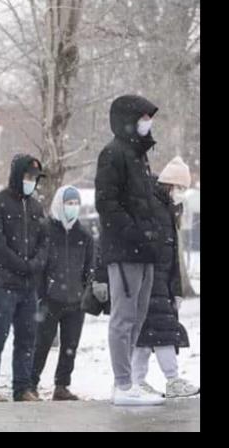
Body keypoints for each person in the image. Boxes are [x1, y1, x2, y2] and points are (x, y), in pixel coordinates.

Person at [93, 94, 166, 406]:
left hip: (145, 250)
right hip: (125, 250)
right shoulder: (113, 154)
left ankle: (128, 382)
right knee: (123, 319)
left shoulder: (138, 155)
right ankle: (123, 384)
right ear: (127, 119)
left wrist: (155, 235)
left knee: (138, 316)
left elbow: (144, 201)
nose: (147, 123)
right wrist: (135, 233)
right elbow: (106, 203)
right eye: (142, 117)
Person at [0, 154, 48, 402]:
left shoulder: (37, 207)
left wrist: (35, 264)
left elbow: (44, 242)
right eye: (28, 176)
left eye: (35, 178)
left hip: (28, 286)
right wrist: (21, 265)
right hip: (1, 282)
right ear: (18, 175)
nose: (31, 182)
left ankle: (23, 386)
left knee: (27, 337)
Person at [133, 156, 199, 399]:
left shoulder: (167, 209)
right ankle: (171, 379)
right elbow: (158, 250)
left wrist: (177, 289)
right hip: (152, 281)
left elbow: (172, 254)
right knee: (162, 332)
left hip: (158, 282)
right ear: (170, 185)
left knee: (146, 334)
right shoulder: (155, 208)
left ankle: (136, 380)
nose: (182, 193)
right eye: (181, 187)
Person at [31, 185, 94, 401]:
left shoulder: (84, 235)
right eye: (69, 203)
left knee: (70, 345)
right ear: (60, 203)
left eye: (76, 203)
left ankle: (62, 385)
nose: (73, 207)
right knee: (42, 343)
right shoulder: (45, 230)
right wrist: (42, 291)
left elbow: (90, 266)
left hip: (76, 300)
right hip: (50, 299)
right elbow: (38, 265)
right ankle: (31, 383)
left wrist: (85, 290)